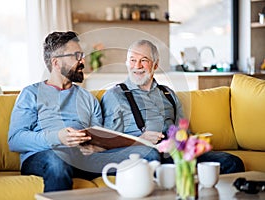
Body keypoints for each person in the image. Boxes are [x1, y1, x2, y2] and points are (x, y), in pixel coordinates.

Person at [8, 31, 160, 192]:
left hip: (85, 158)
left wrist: (96, 146)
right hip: (46, 155)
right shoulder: (31, 94)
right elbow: (15, 140)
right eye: (76, 56)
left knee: (149, 155)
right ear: (56, 62)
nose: (83, 60)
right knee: (57, 161)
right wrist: (58, 137)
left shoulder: (88, 98)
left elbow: (98, 135)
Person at [101, 39, 245, 174]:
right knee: (152, 157)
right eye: (133, 60)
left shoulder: (168, 93)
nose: (137, 66)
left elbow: (182, 130)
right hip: (144, 155)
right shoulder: (115, 95)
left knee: (231, 162)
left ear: (155, 65)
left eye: (143, 60)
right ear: (127, 63)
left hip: (176, 153)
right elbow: (107, 141)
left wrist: (189, 141)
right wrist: (140, 139)